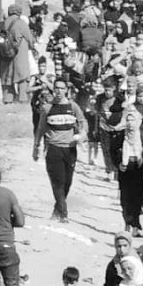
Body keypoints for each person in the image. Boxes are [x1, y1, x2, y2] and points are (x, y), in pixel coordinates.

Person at [33, 76, 86, 222]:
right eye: (56, 88)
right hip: (53, 148)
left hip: (70, 149)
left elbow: (82, 122)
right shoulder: (47, 108)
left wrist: (82, 135)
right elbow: (40, 129)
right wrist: (36, 147)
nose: (59, 91)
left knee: (67, 182)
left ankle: (57, 210)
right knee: (58, 181)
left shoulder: (73, 106)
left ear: (67, 90)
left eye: (62, 88)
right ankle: (63, 213)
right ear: (53, 89)